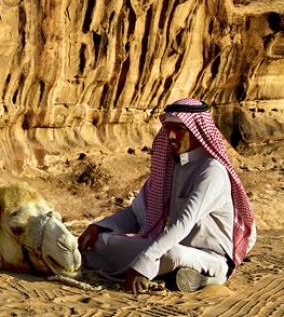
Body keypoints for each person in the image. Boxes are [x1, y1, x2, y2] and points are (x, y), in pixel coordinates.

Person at [78, 98, 256, 293]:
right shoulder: (170, 166)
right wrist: (100, 227)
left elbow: (183, 223)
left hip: (208, 257)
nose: (171, 136)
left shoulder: (211, 171)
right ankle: (171, 275)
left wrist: (144, 263)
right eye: (169, 128)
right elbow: (135, 213)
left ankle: (209, 279)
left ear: (198, 133)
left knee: (167, 253)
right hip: (169, 247)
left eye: (180, 130)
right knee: (102, 242)